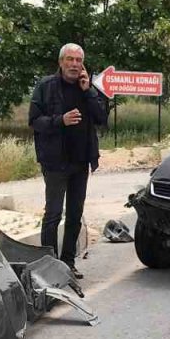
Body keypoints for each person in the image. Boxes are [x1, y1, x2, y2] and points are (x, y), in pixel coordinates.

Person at [29, 43, 108, 275]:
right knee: (53, 214)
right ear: (61, 62)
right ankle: (49, 265)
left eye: (78, 60)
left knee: (75, 214)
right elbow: (35, 121)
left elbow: (102, 117)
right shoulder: (46, 86)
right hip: (55, 162)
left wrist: (89, 91)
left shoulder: (88, 89)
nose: (74, 64)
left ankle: (68, 263)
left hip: (81, 161)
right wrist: (60, 120)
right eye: (70, 59)